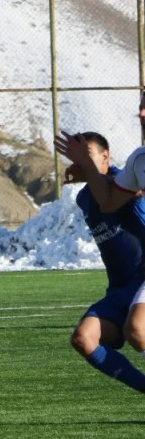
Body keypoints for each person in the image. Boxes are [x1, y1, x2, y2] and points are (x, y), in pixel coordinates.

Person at [56, 129, 145, 386]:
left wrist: (88, 169)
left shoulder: (122, 176)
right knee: (83, 338)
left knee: (137, 330)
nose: (81, 162)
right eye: (76, 157)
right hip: (119, 289)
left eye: (87, 155)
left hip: (142, 281)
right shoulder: (85, 198)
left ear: (106, 156)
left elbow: (133, 191)